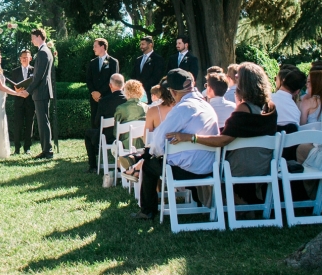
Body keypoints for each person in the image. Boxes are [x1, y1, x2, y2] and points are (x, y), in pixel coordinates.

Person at [167, 62, 278, 207]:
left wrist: (191, 137)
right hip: (264, 164)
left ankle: (225, 201)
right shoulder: (270, 107)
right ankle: (244, 201)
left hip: (239, 167)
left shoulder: (244, 109)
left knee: (203, 162)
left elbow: (223, 140)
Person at [126, 69, 219, 221]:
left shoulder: (182, 109)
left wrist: (153, 152)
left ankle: (147, 211)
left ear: (173, 92)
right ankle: (138, 160)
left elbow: (158, 140)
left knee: (148, 164)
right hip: (209, 166)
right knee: (152, 155)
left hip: (187, 170)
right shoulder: (207, 105)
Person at [17, 28, 55, 159]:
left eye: (33, 37)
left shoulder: (43, 52)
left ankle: (47, 151)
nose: (32, 40)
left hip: (41, 92)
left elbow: (38, 76)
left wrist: (28, 91)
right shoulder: (45, 51)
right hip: (43, 92)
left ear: (39, 36)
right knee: (43, 122)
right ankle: (46, 150)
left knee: (43, 122)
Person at [84, 73, 128, 172]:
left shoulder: (104, 101)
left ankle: (93, 166)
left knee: (88, 134)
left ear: (110, 86)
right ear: (123, 85)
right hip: (125, 136)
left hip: (107, 136)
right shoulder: (128, 101)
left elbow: (97, 122)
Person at [86, 38, 120, 129]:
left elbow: (113, 80)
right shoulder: (92, 62)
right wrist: (93, 92)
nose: (93, 48)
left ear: (103, 47)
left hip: (107, 97)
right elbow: (89, 79)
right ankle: (94, 141)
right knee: (94, 121)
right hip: (94, 98)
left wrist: (100, 92)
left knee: (107, 122)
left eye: (95, 46)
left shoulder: (113, 62)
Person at [8, 49, 35, 155]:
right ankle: (17, 148)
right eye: (22, 57)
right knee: (18, 125)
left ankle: (27, 147)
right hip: (18, 102)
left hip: (30, 101)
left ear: (30, 58)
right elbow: (12, 86)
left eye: (26, 57)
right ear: (20, 59)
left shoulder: (34, 70)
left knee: (29, 125)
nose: (24, 59)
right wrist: (16, 90)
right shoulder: (15, 71)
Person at [116, 80, 149, 149]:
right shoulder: (146, 107)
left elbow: (116, 131)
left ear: (126, 92)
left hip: (126, 144)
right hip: (144, 142)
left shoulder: (120, 108)